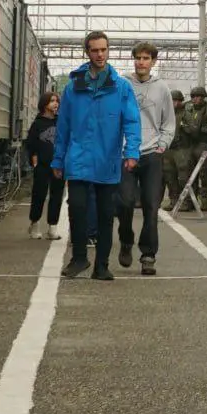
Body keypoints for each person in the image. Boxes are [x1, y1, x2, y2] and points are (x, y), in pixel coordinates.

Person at [52, 30, 141, 280]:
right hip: (79, 157)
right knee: (77, 207)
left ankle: (101, 265)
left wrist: (131, 152)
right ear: (87, 52)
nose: (100, 54)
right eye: (95, 50)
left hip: (107, 159)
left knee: (105, 214)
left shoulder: (121, 87)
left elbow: (132, 122)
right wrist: (58, 159)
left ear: (108, 51)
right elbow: (64, 126)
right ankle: (79, 257)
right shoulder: (74, 87)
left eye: (104, 49)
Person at [116, 42, 174, 275]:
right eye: (138, 58)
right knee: (125, 202)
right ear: (133, 60)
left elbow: (168, 121)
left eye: (146, 58)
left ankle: (148, 255)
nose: (141, 62)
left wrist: (163, 145)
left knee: (151, 205)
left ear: (153, 61)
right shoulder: (122, 84)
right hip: (125, 153)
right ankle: (126, 241)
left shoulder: (162, 89)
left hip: (151, 155)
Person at [25, 91, 64, 240]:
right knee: (39, 194)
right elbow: (31, 143)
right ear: (44, 104)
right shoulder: (38, 123)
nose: (55, 104)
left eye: (57, 101)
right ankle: (34, 224)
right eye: (52, 101)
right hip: (42, 165)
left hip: (59, 164)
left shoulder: (61, 121)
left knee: (57, 196)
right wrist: (33, 157)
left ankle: (52, 227)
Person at [179, 86, 207, 212]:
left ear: (203, 97)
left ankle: (205, 203)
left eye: (198, 96)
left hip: (203, 144)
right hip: (191, 145)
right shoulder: (189, 110)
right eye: (193, 97)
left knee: (204, 174)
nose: (195, 99)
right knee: (190, 174)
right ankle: (191, 202)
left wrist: (200, 131)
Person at [161, 90, 188, 210]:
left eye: (177, 100)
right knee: (169, 176)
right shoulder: (165, 114)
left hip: (181, 148)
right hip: (168, 149)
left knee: (183, 176)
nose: (174, 103)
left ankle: (186, 202)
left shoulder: (185, 114)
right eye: (172, 100)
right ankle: (173, 200)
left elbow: (193, 130)